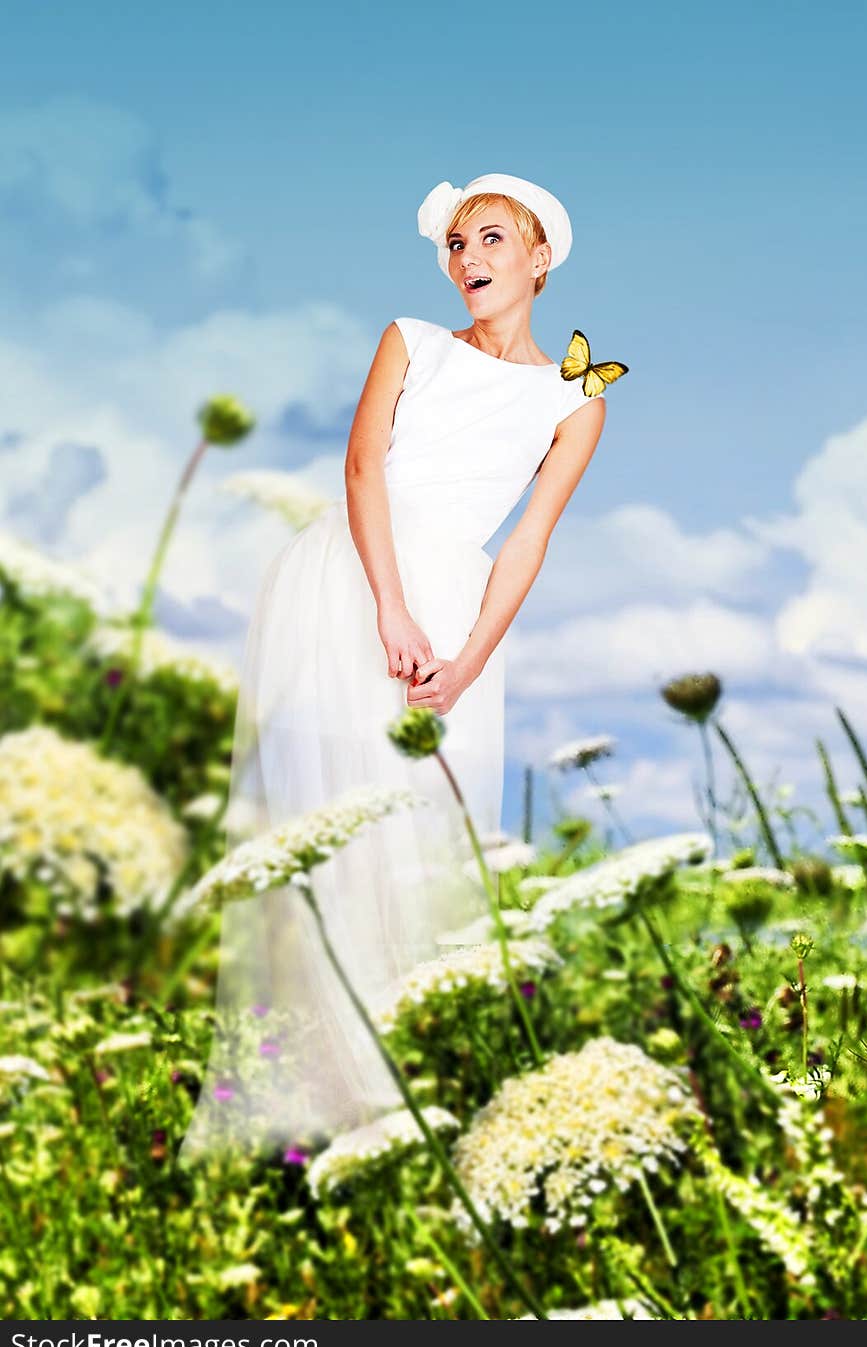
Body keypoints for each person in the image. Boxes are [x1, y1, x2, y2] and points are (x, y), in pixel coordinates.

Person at [178, 173, 607, 1165]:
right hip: (348, 584)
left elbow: (526, 542)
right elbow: (363, 465)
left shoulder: (574, 399)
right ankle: (314, 1096)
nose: (467, 261)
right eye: (456, 245)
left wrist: (463, 663)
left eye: (491, 240)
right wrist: (388, 604)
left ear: (540, 258)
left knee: (425, 840)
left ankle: (407, 1093)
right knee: (331, 829)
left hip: (459, 612)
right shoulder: (410, 340)